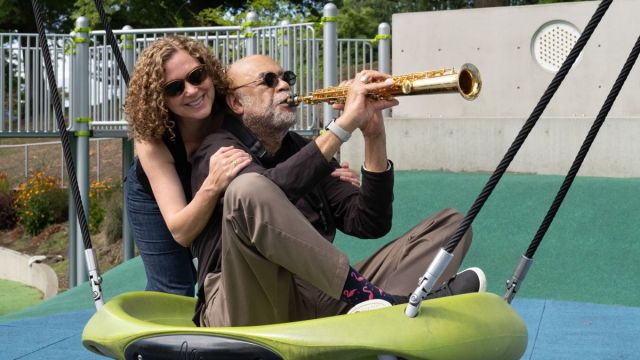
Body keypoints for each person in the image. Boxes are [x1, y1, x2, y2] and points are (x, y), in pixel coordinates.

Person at [190, 55, 485, 327]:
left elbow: (368, 223)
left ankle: (381, 311)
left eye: (285, 78)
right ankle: (377, 302)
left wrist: (373, 134)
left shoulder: (304, 149)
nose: (282, 85)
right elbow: (268, 191)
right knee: (248, 188)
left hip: (318, 293)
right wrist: (343, 126)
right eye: (268, 81)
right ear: (236, 102)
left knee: (452, 227)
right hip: (244, 301)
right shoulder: (218, 149)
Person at [123, 37, 361, 297]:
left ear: (210, 72)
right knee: (174, 284)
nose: (191, 91)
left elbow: (269, 161)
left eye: (196, 76)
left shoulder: (228, 108)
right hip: (156, 198)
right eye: (174, 88)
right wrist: (211, 186)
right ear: (161, 99)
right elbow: (181, 231)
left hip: (219, 178)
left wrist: (319, 168)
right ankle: (158, 334)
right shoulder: (153, 139)